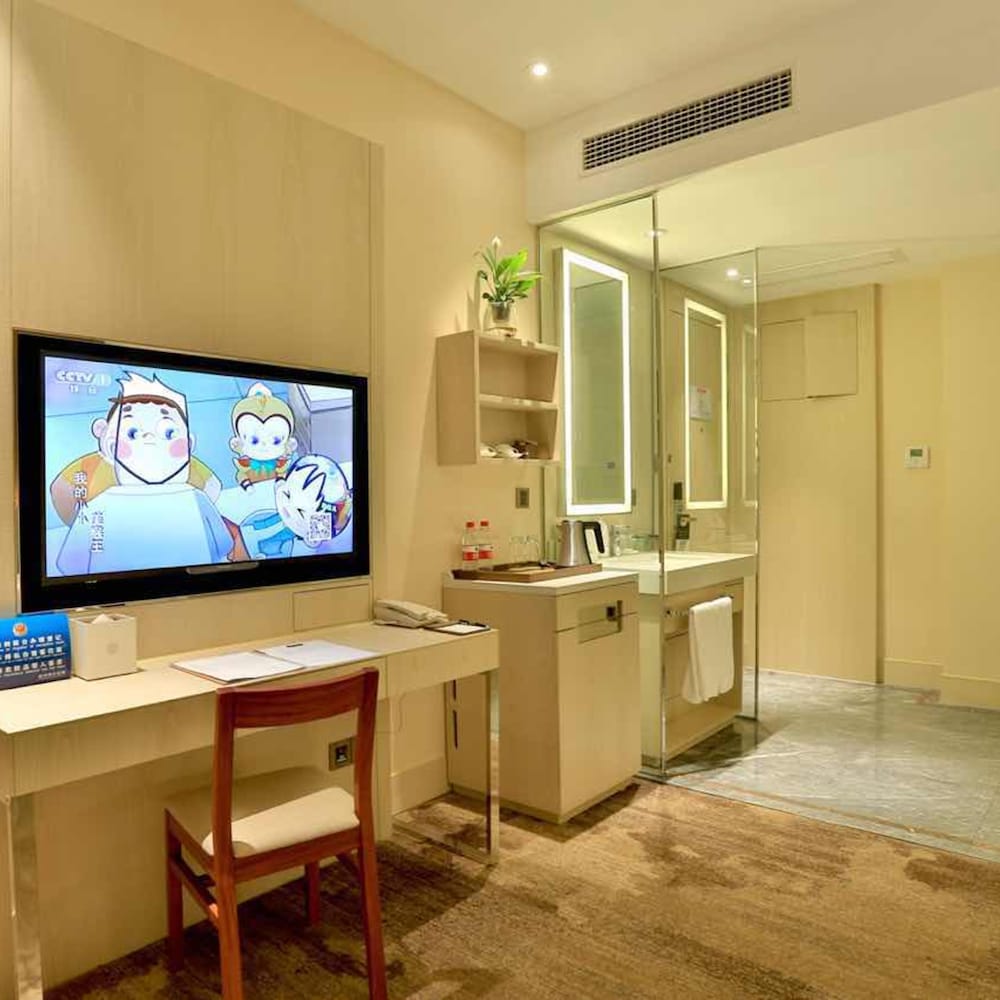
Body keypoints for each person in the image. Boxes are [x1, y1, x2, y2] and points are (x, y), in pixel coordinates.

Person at [56, 372, 232, 575]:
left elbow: (69, 565)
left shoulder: (98, 505)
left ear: (188, 445)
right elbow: (222, 546)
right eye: (132, 433)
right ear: (109, 445)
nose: (149, 439)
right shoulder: (195, 497)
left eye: (169, 433)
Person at [239, 454, 352, 559]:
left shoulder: (330, 508)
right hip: (262, 528)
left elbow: (328, 531)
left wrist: (346, 506)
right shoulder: (288, 494)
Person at [229, 382, 298, 490]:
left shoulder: (280, 462)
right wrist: (246, 484)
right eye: (254, 440)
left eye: (276, 440)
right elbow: (241, 475)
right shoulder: (246, 461)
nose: (264, 445)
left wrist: (280, 481)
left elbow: (283, 472)